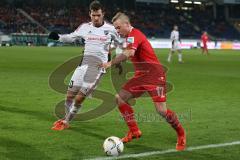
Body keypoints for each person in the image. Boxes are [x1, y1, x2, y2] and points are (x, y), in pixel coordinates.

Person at [102, 12, 186, 151]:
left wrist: (110, 63)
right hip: (141, 76)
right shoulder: (129, 37)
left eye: (118, 27)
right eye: (115, 28)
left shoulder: (135, 34)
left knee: (161, 111)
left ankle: (181, 134)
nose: (117, 31)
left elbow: (130, 53)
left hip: (154, 75)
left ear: (127, 24)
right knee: (120, 98)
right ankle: (134, 131)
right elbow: (128, 52)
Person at [49, 0, 121, 130]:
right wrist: (58, 37)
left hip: (97, 69)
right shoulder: (85, 27)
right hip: (82, 66)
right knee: (70, 95)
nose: (96, 18)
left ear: (103, 14)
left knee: (79, 98)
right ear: (90, 14)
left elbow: (121, 43)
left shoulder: (111, 29)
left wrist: (113, 58)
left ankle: (66, 122)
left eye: (98, 15)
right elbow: (71, 37)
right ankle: (65, 118)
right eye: (93, 15)